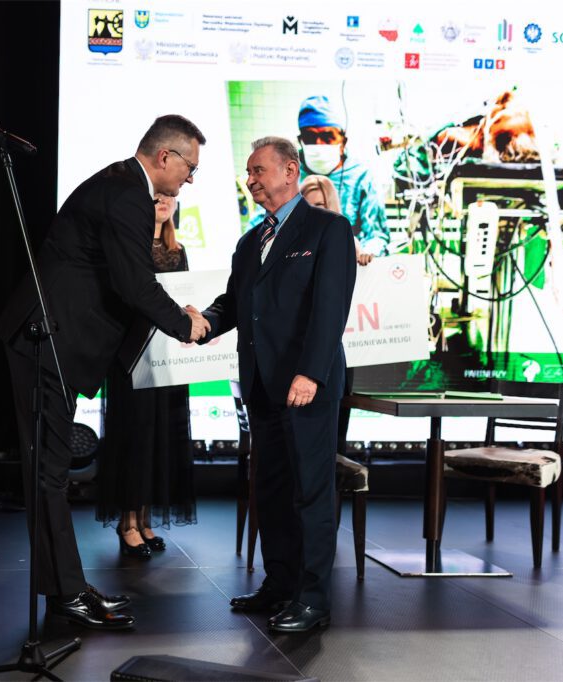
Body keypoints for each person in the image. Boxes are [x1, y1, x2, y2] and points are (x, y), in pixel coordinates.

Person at [0, 115, 209, 630]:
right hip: (46, 338)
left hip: (56, 339)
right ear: (165, 157)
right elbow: (134, 284)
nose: (190, 179)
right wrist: (185, 323)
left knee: (49, 473)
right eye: (190, 168)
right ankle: (66, 594)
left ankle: (65, 589)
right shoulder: (128, 194)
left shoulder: (121, 184)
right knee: (47, 475)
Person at [200, 137, 356, 633]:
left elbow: (330, 309)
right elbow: (234, 304)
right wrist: (202, 321)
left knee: (311, 492)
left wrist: (310, 373)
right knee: (270, 491)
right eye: (248, 172)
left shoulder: (329, 229)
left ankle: (313, 599)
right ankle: (280, 584)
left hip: (306, 386)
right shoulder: (250, 242)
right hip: (262, 387)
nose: (250, 180)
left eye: (258, 170)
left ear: (290, 171)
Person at [96, 193, 196, 559]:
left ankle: (146, 519)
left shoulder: (178, 251)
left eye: (171, 197)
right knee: (133, 438)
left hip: (167, 356)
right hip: (133, 354)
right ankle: (127, 523)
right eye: (158, 197)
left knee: (160, 438)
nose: (165, 202)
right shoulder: (129, 246)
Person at [301, 174, 373, 454]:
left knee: (333, 436)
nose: (315, 211)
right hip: (301, 352)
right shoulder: (294, 241)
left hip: (336, 353)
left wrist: (364, 258)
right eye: (309, 205)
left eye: (320, 205)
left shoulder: (345, 240)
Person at [297, 95, 389, 258]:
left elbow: (376, 234)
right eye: (310, 137)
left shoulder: (360, 176)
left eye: (327, 137)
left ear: (343, 142)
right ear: (300, 140)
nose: (319, 144)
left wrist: (364, 255)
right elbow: (262, 229)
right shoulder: (286, 176)